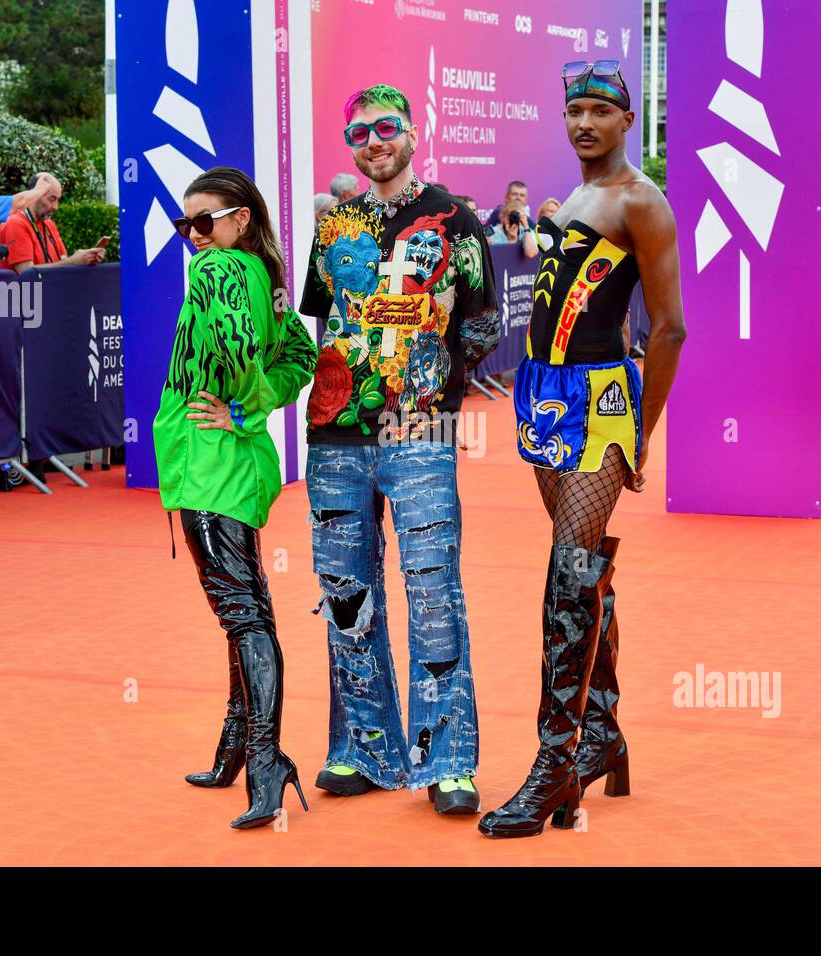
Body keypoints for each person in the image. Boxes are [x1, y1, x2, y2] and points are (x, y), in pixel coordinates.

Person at [481, 59, 686, 838]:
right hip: (539, 394)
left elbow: (669, 328)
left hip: (601, 399)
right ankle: (602, 731)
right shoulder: (570, 198)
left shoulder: (643, 202)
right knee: (588, 568)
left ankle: (553, 763)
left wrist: (641, 432)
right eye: (574, 110)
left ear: (628, 121)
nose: (584, 123)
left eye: (601, 110)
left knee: (569, 577)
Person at [298, 83, 500, 814]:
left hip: (420, 432)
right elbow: (321, 324)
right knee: (346, 596)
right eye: (359, 134)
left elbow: (482, 328)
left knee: (432, 590)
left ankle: (447, 762)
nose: (373, 142)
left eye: (386, 128)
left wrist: (432, 384)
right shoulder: (334, 227)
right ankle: (362, 750)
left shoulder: (458, 220)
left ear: (414, 133)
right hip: (335, 438)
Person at [153, 166, 317, 829]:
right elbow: (300, 356)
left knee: (241, 613)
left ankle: (264, 758)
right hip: (233, 463)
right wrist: (253, 413)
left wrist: (242, 409)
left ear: (240, 218)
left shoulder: (218, 271)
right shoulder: (267, 278)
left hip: (209, 465)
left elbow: (247, 353)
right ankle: (235, 746)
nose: (194, 237)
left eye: (204, 222)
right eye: (184, 226)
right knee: (244, 608)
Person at [0, 173, 106, 273]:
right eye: (51, 199)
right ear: (34, 194)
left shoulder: (49, 224)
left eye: (58, 200)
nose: (56, 207)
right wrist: (73, 261)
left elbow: (63, 261)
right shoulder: (15, 223)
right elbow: (27, 273)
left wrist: (85, 259)